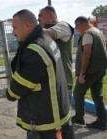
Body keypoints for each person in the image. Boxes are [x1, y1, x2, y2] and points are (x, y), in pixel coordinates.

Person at [6, 9, 71, 139]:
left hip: (45, 124)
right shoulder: (46, 39)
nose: (13, 32)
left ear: (27, 26)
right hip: (59, 115)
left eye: (14, 28)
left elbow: (15, 91)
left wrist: (8, 92)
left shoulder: (34, 50)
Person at [38, 6, 75, 139]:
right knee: (51, 122)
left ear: (51, 16)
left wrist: (28, 28)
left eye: (40, 16)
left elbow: (48, 33)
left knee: (64, 122)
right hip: (50, 84)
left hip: (63, 83)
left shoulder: (63, 26)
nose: (38, 19)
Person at [71, 16, 107, 130]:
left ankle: (79, 118)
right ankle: (103, 121)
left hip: (90, 71)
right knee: (97, 96)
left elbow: (87, 54)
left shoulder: (88, 34)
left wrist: (82, 73)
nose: (77, 29)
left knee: (77, 93)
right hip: (100, 69)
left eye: (77, 27)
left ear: (82, 24)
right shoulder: (97, 32)